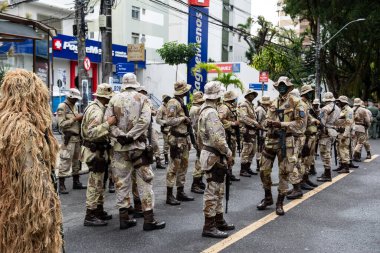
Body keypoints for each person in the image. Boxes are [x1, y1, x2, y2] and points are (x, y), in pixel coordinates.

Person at [0, 69, 62, 252]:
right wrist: (46, 218)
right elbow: (33, 184)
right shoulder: (23, 130)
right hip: (23, 217)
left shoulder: (4, 123)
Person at [104, 73, 165, 231]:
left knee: (121, 183)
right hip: (138, 147)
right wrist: (131, 136)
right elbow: (145, 121)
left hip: (119, 148)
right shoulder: (143, 98)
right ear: (135, 84)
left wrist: (120, 136)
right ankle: (149, 220)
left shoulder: (113, 99)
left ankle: (124, 218)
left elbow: (108, 123)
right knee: (144, 182)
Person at [257, 76, 305, 216]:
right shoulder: (273, 102)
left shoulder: (296, 102)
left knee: (283, 173)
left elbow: (301, 125)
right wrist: (268, 123)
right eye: (279, 85)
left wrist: (282, 124)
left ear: (288, 87)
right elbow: (266, 119)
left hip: (286, 142)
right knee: (263, 170)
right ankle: (268, 197)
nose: (282, 87)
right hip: (270, 140)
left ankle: (279, 203)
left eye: (284, 85)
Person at [198, 81, 235, 238]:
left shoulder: (203, 110)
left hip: (211, 154)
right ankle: (209, 226)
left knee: (218, 190)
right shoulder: (211, 113)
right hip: (214, 155)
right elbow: (217, 139)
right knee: (213, 192)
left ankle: (218, 221)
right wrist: (228, 152)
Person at [81, 83, 116, 226]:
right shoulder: (96, 111)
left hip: (99, 151)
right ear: (104, 97)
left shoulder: (99, 108)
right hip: (94, 152)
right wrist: (108, 124)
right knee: (95, 183)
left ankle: (98, 210)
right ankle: (90, 215)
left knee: (100, 182)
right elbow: (91, 132)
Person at [166, 81, 196, 205]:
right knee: (174, 167)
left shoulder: (181, 102)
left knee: (184, 166)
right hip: (176, 140)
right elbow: (169, 121)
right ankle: (169, 195)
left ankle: (180, 191)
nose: (188, 91)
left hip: (183, 139)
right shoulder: (173, 103)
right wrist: (183, 118)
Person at [57, 87, 87, 194]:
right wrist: (74, 119)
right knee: (65, 161)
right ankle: (61, 185)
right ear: (70, 97)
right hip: (68, 139)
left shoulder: (75, 107)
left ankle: (76, 182)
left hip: (77, 138)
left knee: (77, 161)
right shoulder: (62, 107)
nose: (76, 100)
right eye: (75, 98)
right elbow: (61, 124)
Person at [137, 86, 166, 169]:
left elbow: (154, 112)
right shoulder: (135, 101)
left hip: (149, 124)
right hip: (140, 126)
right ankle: (142, 162)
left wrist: (151, 111)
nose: (142, 93)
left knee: (154, 143)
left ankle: (158, 161)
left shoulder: (148, 101)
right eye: (141, 92)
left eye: (144, 92)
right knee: (141, 144)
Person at [298, 85, 319, 191]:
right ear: (305, 93)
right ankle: (301, 180)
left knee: (309, 160)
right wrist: (305, 139)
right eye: (309, 92)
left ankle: (306, 178)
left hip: (311, 135)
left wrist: (314, 120)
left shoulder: (307, 104)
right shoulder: (301, 104)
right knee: (304, 159)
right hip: (305, 135)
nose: (311, 94)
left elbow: (308, 117)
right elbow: (302, 123)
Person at [317, 92, 341, 182]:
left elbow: (321, 123)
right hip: (333, 131)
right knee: (328, 152)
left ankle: (327, 174)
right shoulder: (338, 108)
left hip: (325, 132)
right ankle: (326, 172)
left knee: (325, 153)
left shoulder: (324, 109)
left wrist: (319, 132)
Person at [218, 90, 241, 181]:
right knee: (227, 156)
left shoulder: (230, 107)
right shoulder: (224, 107)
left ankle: (229, 173)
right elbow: (220, 119)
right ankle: (226, 175)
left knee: (232, 155)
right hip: (227, 135)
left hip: (232, 135)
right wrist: (233, 123)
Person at [238, 89, 261, 177]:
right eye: (251, 94)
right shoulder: (244, 105)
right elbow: (244, 117)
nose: (252, 96)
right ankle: (243, 169)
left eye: (253, 94)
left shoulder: (251, 105)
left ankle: (248, 167)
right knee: (246, 150)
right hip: (247, 130)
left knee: (253, 150)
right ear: (247, 96)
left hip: (253, 131)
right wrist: (255, 123)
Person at [189, 91, 206, 194]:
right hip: (199, 137)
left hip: (197, 136)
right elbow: (198, 126)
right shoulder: (196, 110)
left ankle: (199, 181)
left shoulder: (193, 108)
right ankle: (195, 183)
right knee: (200, 160)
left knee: (201, 159)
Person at [333, 96, 354, 173]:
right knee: (339, 150)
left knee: (344, 150)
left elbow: (349, 124)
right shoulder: (341, 110)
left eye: (340, 101)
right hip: (339, 133)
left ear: (344, 102)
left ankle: (346, 167)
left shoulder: (349, 110)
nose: (338, 102)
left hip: (344, 133)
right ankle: (341, 165)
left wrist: (345, 135)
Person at [255, 96, 271, 172]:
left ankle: (261, 163)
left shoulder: (265, 108)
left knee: (263, 148)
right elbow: (258, 122)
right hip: (260, 131)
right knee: (259, 148)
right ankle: (258, 165)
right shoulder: (260, 109)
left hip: (264, 131)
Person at [156, 94, 171, 165]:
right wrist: (164, 123)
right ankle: (166, 159)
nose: (168, 100)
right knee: (166, 145)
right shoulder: (161, 108)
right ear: (164, 100)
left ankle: (173, 157)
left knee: (174, 144)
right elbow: (157, 120)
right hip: (165, 129)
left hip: (172, 128)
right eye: (167, 99)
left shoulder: (171, 107)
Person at [310, 99, 321, 175]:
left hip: (316, 129)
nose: (316, 105)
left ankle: (312, 168)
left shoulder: (320, 110)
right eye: (315, 104)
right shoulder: (310, 110)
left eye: (317, 104)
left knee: (314, 146)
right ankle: (311, 168)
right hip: (311, 130)